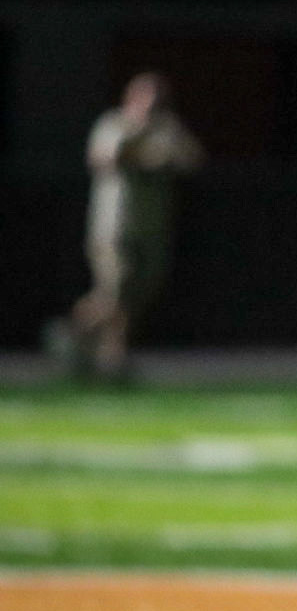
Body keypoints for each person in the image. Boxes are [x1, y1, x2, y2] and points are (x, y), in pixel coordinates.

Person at [58, 72, 203, 380]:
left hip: (151, 226)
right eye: (145, 96)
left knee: (140, 291)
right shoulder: (114, 123)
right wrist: (139, 139)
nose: (151, 104)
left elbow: (191, 159)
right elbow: (105, 157)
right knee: (115, 290)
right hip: (113, 226)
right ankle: (104, 354)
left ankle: (92, 346)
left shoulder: (167, 128)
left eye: (157, 97)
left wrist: (166, 152)